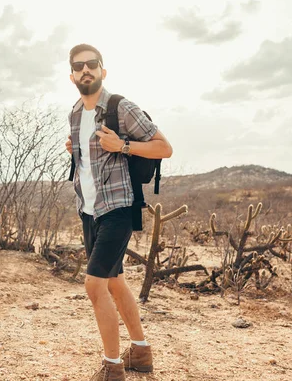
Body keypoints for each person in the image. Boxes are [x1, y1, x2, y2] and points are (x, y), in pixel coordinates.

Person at [65, 44, 173, 381]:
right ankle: (140, 352)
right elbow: (87, 164)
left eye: (92, 64)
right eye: (79, 66)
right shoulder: (74, 114)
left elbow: (164, 147)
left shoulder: (120, 107)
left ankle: (112, 368)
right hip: (89, 211)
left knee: (94, 286)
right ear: (71, 76)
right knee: (115, 284)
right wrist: (75, 149)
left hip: (118, 209)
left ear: (103, 71)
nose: (86, 70)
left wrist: (123, 146)